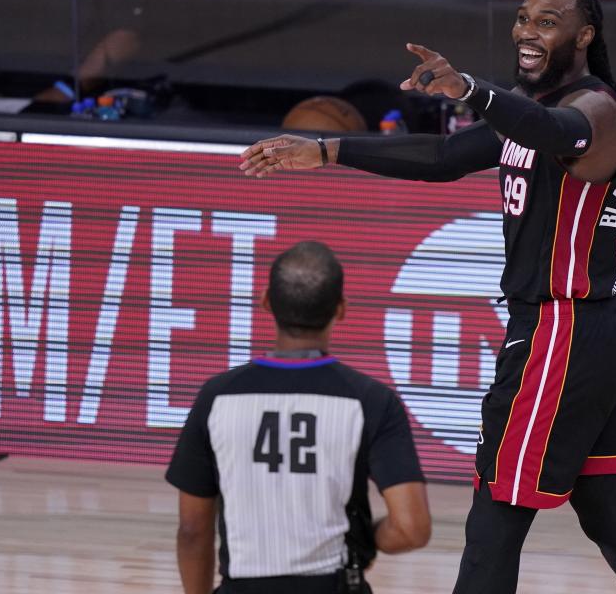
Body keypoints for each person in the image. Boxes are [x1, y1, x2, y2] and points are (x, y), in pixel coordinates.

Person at [239, 0, 616, 594]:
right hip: (589, 332)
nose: (528, 31)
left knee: (494, 522)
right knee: (615, 518)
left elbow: (552, 133)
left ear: (584, 35)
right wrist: (326, 151)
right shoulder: (530, 114)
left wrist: (474, 90)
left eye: (548, 21)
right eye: (524, 17)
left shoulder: (594, 109)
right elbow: (444, 159)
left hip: (561, 328)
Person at [165, 241, 431, 594]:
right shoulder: (372, 400)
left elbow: (192, 531)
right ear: (341, 310)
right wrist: (363, 540)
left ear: (265, 302)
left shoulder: (216, 397)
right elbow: (411, 529)